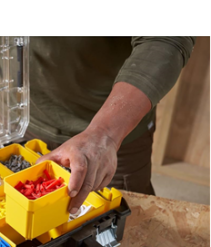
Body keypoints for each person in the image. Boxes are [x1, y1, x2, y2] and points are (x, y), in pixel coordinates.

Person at [25, 37, 196, 215]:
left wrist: (104, 133)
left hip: (110, 134)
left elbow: (165, 40)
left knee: (129, 219)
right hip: (24, 119)